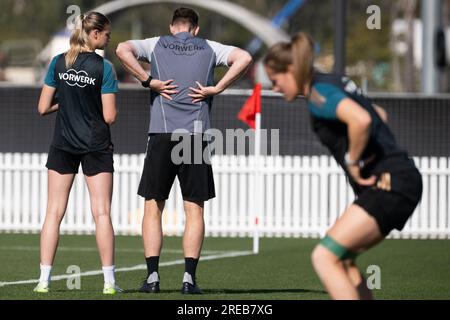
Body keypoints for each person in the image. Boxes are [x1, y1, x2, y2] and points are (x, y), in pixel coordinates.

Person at [264, 32, 422, 300]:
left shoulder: (317, 94)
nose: (275, 88)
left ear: (291, 70)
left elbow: (361, 120)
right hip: (399, 177)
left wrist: (353, 161)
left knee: (324, 256)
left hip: (390, 181)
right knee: (344, 261)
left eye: (275, 81)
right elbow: (378, 114)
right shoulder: (333, 81)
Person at [116, 7, 252, 294]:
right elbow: (245, 58)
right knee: (194, 210)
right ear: (196, 29)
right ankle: (189, 280)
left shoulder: (156, 43)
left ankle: (152, 278)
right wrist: (218, 88)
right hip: (194, 138)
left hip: (162, 136)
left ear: (172, 26)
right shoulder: (210, 47)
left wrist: (146, 80)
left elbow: (121, 49)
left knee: (153, 207)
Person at [35, 12, 121, 295]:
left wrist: (67, 103)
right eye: (106, 34)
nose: (108, 39)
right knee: (102, 213)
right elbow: (109, 116)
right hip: (95, 145)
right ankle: (109, 283)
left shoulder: (58, 62)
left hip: (62, 144)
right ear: (95, 34)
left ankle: (43, 281)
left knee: (53, 212)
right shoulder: (104, 68)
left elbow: (43, 107)